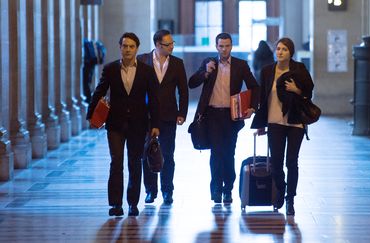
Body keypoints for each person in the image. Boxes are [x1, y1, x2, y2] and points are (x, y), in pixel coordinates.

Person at [86, 32, 160, 217]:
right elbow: (99, 91)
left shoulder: (146, 71)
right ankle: (116, 204)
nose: (127, 49)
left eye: (131, 46)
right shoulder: (110, 69)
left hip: (138, 124)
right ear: (120, 48)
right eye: (124, 46)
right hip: (115, 124)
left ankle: (133, 204)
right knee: (116, 162)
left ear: (137, 49)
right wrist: (91, 115)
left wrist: (155, 124)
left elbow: (154, 100)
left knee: (135, 163)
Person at [189, 32, 259, 204]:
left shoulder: (241, 65)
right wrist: (205, 73)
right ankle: (216, 189)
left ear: (231, 46)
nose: (224, 49)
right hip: (211, 115)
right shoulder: (209, 63)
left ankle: (228, 188)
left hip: (231, 116)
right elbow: (192, 83)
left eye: (227, 46)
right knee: (216, 153)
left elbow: (254, 87)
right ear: (216, 47)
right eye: (221, 46)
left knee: (228, 153)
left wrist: (252, 107)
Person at [251, 37, 314, 215]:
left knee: (292, 161)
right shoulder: (267, 71)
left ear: (290, 53)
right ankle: (281, 189)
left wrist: (297, 90)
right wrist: (260, 123)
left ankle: (290, 199)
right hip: (274, 121)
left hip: (295, 121)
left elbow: (309, 91)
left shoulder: (299, 69)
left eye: (284, 49)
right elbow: (263, 98)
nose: (280, 52)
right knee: (277, 163)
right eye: (278, 49)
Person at [137, 29, 189, 205]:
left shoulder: (177, 63)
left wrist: (182, 113)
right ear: (158, 45)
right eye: (168, 44)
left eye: (173, 43)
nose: (172, 47)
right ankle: (151, 191)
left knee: (167, 154)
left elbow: (183, 90)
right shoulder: (142, 60)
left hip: (168, 115)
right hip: (146, 116)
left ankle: (167, 190)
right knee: (147, 154)